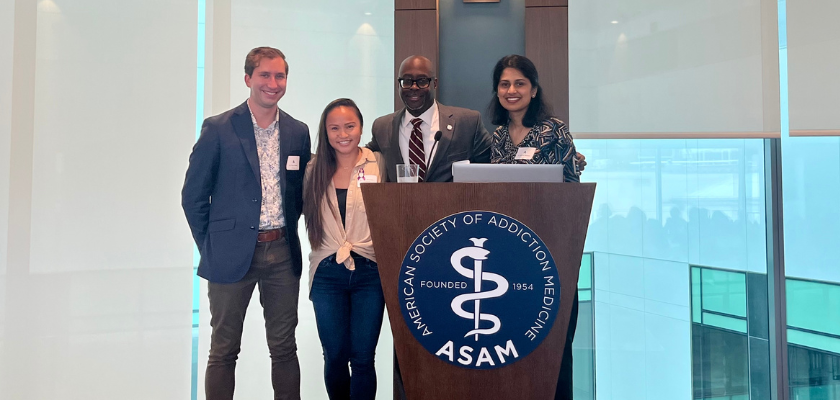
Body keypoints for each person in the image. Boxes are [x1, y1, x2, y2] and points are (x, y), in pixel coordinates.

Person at [181, 46, 311, 400]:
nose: (273, 83)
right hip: (230, 255)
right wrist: (212, 246)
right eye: (265, 75)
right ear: (248, 79)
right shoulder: (219, 128)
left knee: (284, 348)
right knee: (223, 350)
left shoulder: (298, 132)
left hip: (282, 253)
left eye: (279, 75)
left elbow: (297, 194)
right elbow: (193, 196)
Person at [488, 53, 581, 400]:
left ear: (534, 88)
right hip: (511, 255)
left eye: (519, 83)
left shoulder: (554, 130)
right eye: (504, 84)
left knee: (554, 344)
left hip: (555, 251)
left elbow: (573, 188)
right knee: (514, 341)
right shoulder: (496, 137)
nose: (511, 90)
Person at [303, 98, 386, 400]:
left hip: (370, 271)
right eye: (334, 128)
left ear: (361, 127)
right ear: (325, 132)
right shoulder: (313, 168)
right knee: (335, 355)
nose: (343, 134)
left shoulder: (379, 163)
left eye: (350, 126)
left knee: (363, 358)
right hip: (327, 273)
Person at [368, 55, 492, 182]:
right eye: (407, 81)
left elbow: (493, 168)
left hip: (452, 201)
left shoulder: (468, 123)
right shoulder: (382, 127)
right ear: (399, 84)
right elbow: (361, 157)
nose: (414, 87)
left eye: (422, 81)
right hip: (402, 201)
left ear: (435, 83)